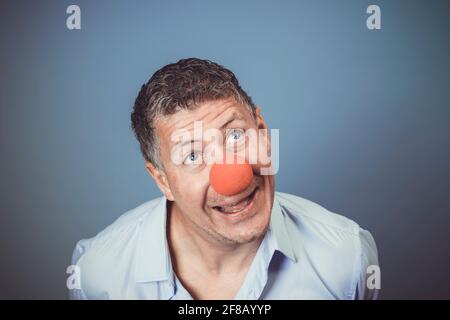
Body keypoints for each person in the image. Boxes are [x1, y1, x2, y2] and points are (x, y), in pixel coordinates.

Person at [69, 58, 379, 299]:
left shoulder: (346, 259)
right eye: (192, 156)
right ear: (162, 181)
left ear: (263, 134)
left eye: (235, 135)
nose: (233, 176)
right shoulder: (99, 274)